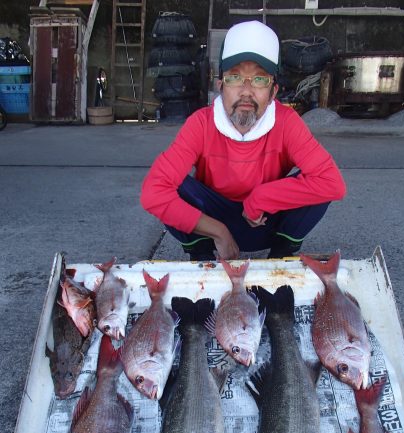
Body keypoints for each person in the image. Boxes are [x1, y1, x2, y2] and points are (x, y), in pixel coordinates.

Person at [141, 20, 346, 261]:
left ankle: (282, 254)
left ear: (273, 92)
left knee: (319, 186)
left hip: (266, 221)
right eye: (235, 77)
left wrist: (261, 197)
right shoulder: (201, 123)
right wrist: (219, 231)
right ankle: (200, 255)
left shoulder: (287, 122)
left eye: (259, 79)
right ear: (220, 86)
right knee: (175, 185)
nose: (246, 90)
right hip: (211, 224)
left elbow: (334, 184)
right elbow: (152, 193)